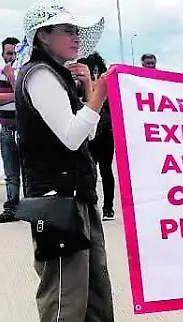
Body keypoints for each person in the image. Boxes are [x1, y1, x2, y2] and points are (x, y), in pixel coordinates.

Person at [16, 1, 139, 322]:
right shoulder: (39, 76)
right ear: (43, 36)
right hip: (55, 198)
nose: (74, 36)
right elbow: (71, 136)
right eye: (65, 30)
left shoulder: (58, 75)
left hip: (76, 192)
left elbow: (87, 135)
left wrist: (88, 91)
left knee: (93, 278)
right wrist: (98, 95)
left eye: (75, 30)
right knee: (63, 283)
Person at [77, 51, 116, 220]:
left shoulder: (106, 84)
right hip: (92, 131)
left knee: (102, 170)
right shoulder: (81, 84)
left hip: (104, 130)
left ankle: (106, 207)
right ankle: (97, 206)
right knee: (92, 171)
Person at [0, 37, 21, 224]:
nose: (12, 57)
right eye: (9, 53)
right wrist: (15, 95)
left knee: (29, 172)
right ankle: (11, 209)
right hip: (7, 128)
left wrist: (12, 78)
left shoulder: (25, 72)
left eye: (15, 53)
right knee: (11, 173)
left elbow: (26, 96)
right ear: (2, 54)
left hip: (24, 129)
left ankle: (31, 208)